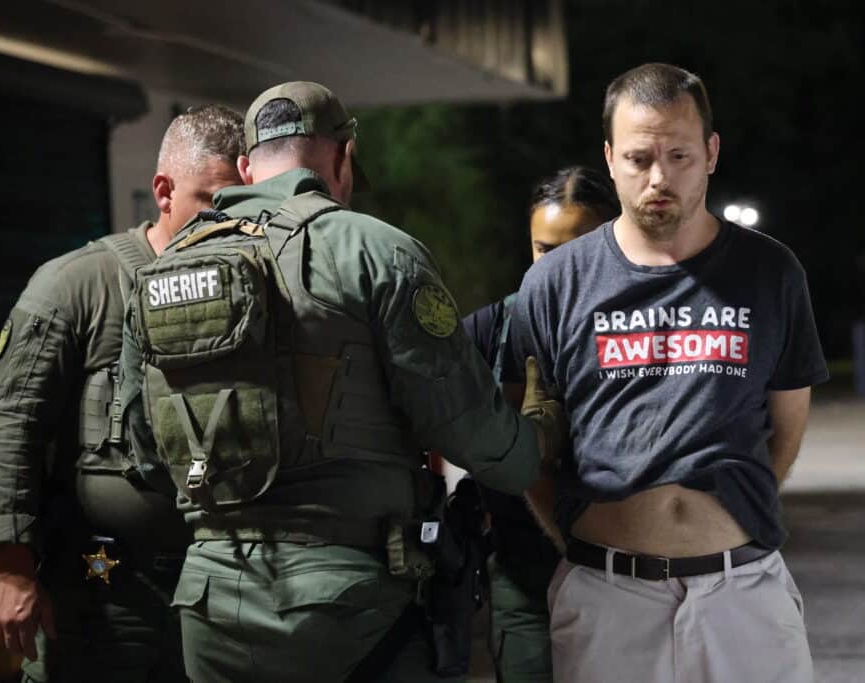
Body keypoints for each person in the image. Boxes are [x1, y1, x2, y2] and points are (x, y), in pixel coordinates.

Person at [118, 81, 564, 683]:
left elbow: (146, 457)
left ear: (246, 168)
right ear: (344, 158)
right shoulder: (375, 251)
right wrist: (537, 436)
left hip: (210, 609)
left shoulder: (162, 272)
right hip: (354, 612)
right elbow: (474, 434)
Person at [511, 63, 829, 682]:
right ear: (610, 158)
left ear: (711, 152)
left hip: (743, 593)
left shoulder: (770, 272)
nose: (658, 177)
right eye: (638, 158)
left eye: (679, 155)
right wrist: (574, 540)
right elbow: (522, 439)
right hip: (608, 598)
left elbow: (787, 425)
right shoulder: (554, 283)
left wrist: (734, 517)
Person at [0, 104, 245, 682]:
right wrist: (9, 567)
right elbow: (9, 422)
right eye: (211, 202)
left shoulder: (251, 292)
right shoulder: (79, 285)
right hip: (101, 592)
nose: (227, 222)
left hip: (224, 592)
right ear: (164, 192)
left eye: (240, 204)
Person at [462, 166, 618, 683]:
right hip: (523, 573)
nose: (558, 268)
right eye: (545, 250)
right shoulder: (489, 330)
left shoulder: (641, 330)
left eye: (579, 248)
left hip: (623, 571)